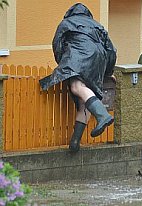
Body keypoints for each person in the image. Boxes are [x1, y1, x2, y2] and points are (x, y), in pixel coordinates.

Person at [39, 3, 116, 152]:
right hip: (99, 60)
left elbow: (57, 45)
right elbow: (111, 50)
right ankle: (75, 142)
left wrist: (65, 64)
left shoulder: (66, 23)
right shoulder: (97, 25)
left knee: (77, 87)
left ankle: (102, 115)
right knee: (83, 102)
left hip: (78, 57)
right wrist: (108, 72)